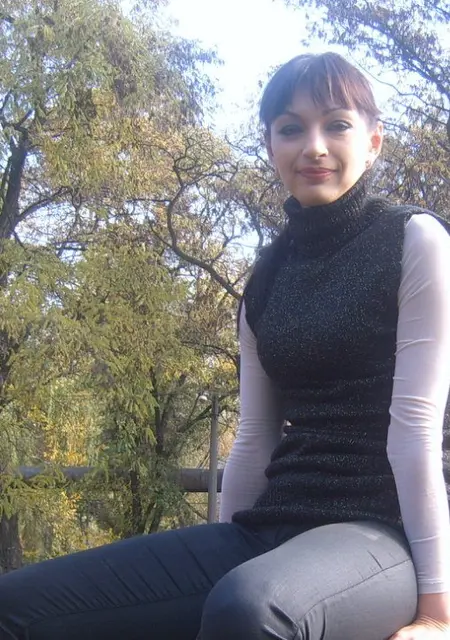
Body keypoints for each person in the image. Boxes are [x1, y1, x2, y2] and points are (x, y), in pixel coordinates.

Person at [0, 52, 449, 640]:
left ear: (373, 142)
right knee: (17, 606)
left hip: (383, 536)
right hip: (276, 529)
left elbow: (415, 429)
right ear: (270, 144)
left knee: (249, 608)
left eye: (337, 125)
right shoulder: (268, 277)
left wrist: (437, 611)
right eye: (291, 128)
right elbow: (256, 435)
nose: (314, 146)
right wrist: (223, 546)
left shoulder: (414, 240)